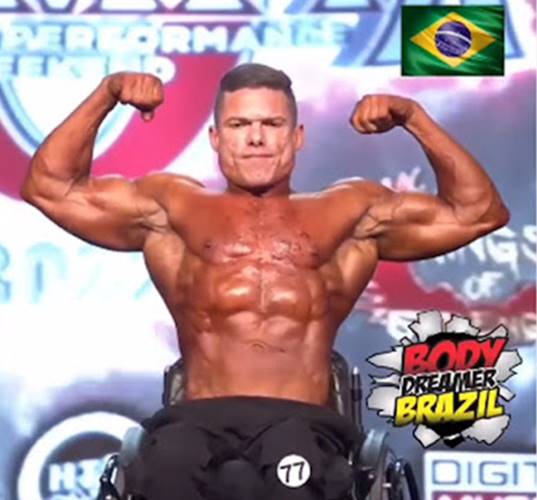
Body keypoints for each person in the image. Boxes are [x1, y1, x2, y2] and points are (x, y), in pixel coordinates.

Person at [21, 64, 509, 500]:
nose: (255, 138)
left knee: (293, 461)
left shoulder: (349, 212)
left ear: (297, 137)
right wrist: (107, 94)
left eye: (271, 125)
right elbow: (50, 187)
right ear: (216, 138)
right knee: (169, 464)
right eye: (239, 125)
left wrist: (414, 117)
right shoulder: (170, 208)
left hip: (303, 422)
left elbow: (477, 212)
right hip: (195, 420)